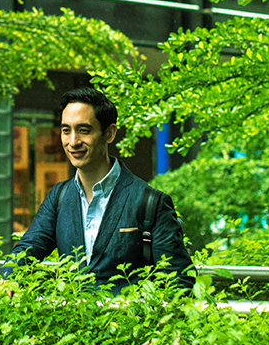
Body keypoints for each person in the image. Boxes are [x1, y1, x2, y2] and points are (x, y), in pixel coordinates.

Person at [12, 86, 191, 292]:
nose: (72, 142)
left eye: (83, 130)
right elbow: (28, 249)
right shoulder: (59, 197)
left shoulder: (150, 202)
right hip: (74, 322)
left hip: (130, 322)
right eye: (65, 130)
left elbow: (179, 282)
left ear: (109, 133)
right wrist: (7, 278)